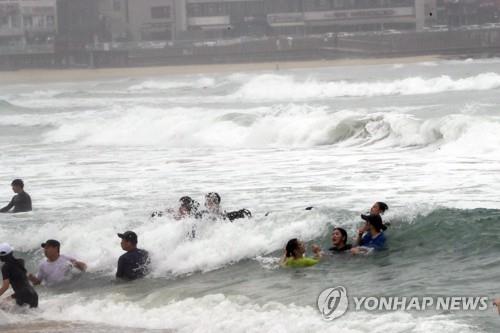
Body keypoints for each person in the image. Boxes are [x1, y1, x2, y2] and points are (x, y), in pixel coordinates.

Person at [0, 243, 38, 308]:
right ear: (11, 252)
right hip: (33, 294)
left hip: (22, 295)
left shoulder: (5, 267)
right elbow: (23, 274)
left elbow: (5, 286)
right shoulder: (20, 261)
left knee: (3, 307)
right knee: (32, 316)